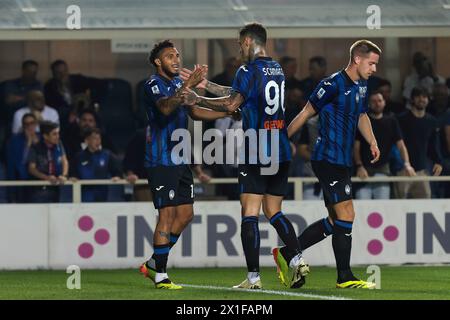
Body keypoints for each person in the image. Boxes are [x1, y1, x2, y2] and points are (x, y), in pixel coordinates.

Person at [182, 23, 309, 289]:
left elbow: (232, 104)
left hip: (256, 148)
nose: (238, 48)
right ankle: (297, 258)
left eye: (240, 43)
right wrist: (208, 85)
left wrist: (197, 98)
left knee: (249, 213)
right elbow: (239, 94)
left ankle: (253, 278)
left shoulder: (246, 70)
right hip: (280, 149)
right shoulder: (276, 69)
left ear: (249, 41)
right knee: (273, 210)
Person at [280, 40, 382, 289]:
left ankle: (288, 252)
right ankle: (344, 277)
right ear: (357, 59)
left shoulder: (361, 85)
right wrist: (281, 142)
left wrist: (372, 140)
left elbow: (361, 114)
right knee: (347, 213)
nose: (374, 69)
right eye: (371, 63)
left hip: (342, 160)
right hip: (326, 159)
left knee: (336, 221)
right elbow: (305, 113)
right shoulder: (331, 84)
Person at [138, 40, 236, 290]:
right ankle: (160, 275)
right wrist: (188, 84)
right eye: (170, 56)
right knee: (167, 214)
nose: (176, 59)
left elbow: (194, 112)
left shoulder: (175, 85)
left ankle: (153, 262)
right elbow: (165, 108)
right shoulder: (153, 84)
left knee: (185, 214)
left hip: (180, 158)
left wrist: (226, 113)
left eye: (177, 55)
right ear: (158, 62)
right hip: (161, 159)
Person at [354, 92, 415, 199]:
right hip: (364, 171)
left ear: (384, 103)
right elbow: (356, 147)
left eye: (379, 101)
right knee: (362, 206)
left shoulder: (391, 121)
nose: (377, 104)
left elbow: (401, 146)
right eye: (373, 101)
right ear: (368, 104)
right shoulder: (363, 121)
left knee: (382, 207)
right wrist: (359, 166)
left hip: (383, 170)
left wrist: (407, 164)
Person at [395, 87, 443, 199]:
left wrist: (438, 161)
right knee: (399, 207)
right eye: (418, 96)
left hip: (422, 171)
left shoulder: (431, 121)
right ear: (412, 99)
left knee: (424, 206)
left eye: (425, 97)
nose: (422, 99)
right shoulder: (401, 119)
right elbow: (396, 144)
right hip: (403, 170)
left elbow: (433, 145)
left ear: (428, 100)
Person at [73, 128, 121, 202]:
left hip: (103, 197)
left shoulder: (107, 155)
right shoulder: (78, 157)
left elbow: (117, 172)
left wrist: (117, 177)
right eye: (94, 138)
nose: (98, 141)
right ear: (87, 141)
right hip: (84, 198)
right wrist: (73, 178)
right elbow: (73, 174)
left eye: (99, 138)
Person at [27, 121, 68, 203]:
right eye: (54, 134)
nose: (57, 136)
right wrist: (46, 178)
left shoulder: (59, 144)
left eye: (58, 133)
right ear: (45, 136)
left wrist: (64, 175)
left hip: (55, 187)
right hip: (39, 189)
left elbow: (65, 161)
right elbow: (31, 169)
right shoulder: (35, 148)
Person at [6, 113, 40, 202]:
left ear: (36, 124)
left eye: (32, 123)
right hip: (23, 181)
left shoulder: (43, 138)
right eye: (26, 124)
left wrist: (37, 144)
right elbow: (19, 164)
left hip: (41, 180)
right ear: (23, 126)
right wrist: (28, 144)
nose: (30, 127)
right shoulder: (15, 140)